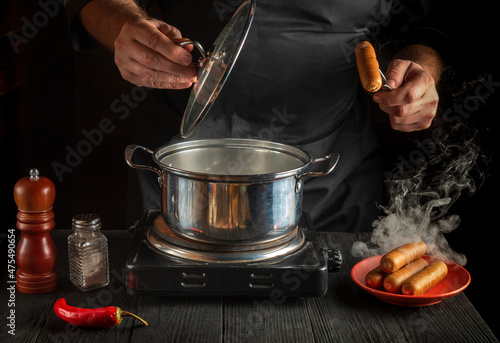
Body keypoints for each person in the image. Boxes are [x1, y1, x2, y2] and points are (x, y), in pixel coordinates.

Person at [65, 0, 444, 232]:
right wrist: (122, 26)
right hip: (183, 173)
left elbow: (425, 26)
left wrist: (422, 72)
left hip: (330, 174)